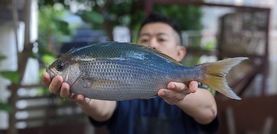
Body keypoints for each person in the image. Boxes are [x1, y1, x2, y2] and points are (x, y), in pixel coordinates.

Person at [42, 12, 219, 134]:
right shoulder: (125, 83)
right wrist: (86, 98)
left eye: (161, 38)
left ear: (180, 52)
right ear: (137, 49)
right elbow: (105, 109)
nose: (153, 44)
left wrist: (183, 94)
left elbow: (209, 111)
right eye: (145, 39)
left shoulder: (191, 86)